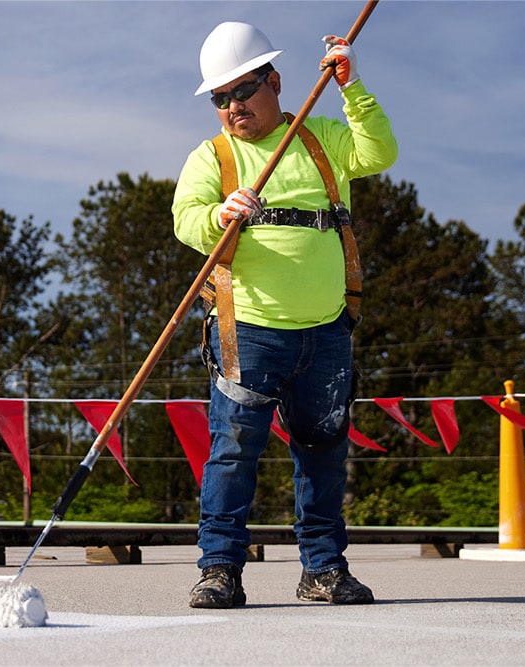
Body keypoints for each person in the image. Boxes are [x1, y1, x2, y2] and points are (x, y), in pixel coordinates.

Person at [170, 20, 397, 608]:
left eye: (241, 91)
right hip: (247, 331)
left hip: (326, 330)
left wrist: (352, 87)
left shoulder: (319, 136)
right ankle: (220, 569)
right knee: (233, 451)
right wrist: (219, 216)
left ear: (273, 81)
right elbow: (184, 220)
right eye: (219, 98)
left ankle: (322, 570)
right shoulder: (213, 157)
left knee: (323, 450)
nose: (231, 107)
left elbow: (379, 152)